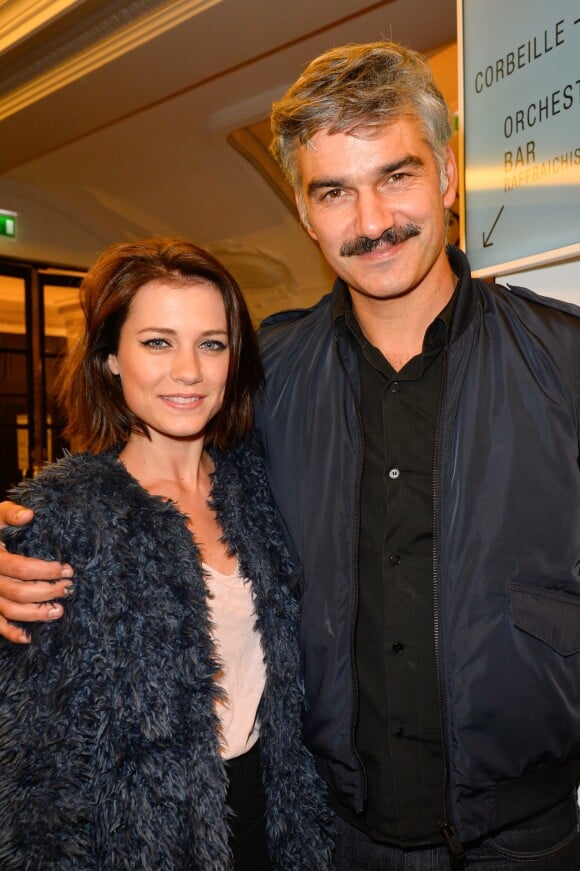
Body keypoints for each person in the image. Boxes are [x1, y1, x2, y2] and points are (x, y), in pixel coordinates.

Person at [0, 40, 579, 871]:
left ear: (449, 178)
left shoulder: (563, 359)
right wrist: (17, 539)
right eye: (334, 191)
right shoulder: (269, 377)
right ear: (305, 213)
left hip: (529, 839)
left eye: (397, 175)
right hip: (332, 839)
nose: (372, 220)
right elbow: (159, 489)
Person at [0, 237, 333, 869]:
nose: (189, 370)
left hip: (274, 819)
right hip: (142, 843)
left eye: (212, 343)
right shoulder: (63, 520)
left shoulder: (261, 489)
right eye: (158, 342)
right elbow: (36, 773)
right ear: (110, 360)